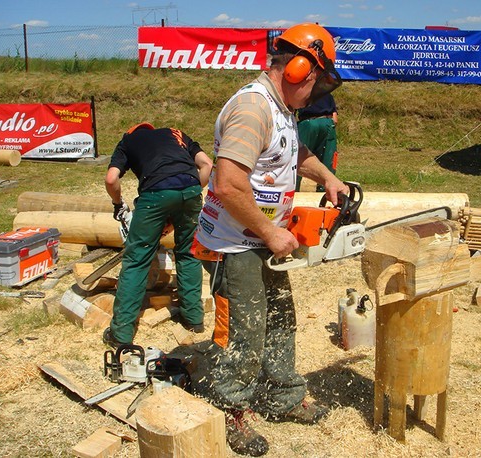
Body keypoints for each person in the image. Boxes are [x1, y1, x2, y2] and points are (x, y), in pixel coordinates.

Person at [191, 23, 348, 457]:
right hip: (233, 241)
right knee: (245, 329)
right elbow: (226, 184)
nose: (315, 92)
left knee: (279, 317)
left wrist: (328, 178)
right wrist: (270, 231)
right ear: (298, 69)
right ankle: (231, 410)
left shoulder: (281, 110)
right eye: (315, 81)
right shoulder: (252, 108)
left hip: (259, 239)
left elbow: (291, 153)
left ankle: (282, 395)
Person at [102, 123, 212, 347]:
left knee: (136, 260)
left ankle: (121, 333)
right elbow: (207, 165)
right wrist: (186, 196)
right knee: (188, 253)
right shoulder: (176, 133)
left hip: (155, 193)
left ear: (132, 131)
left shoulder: (127, 142)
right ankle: (194, 319)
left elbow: (111, 179)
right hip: (191, 188)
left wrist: (118, 204)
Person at [295, 92, 339, 192]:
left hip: (308, 124)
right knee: (328, 161)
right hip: (328, 124)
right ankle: (326, 192)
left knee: (297, 158)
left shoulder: (302, 92)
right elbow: (335, 119)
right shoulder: (328, 94)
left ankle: (292, 192)